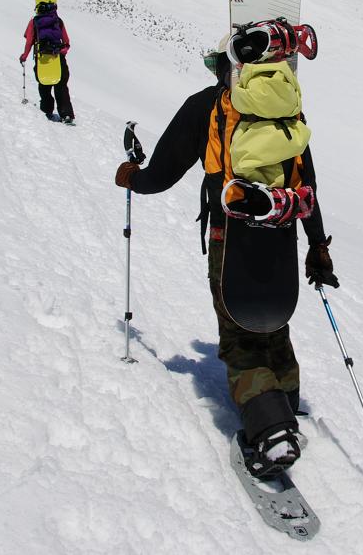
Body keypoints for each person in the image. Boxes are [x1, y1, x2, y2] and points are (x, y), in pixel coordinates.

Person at [114, 48, 337, 476]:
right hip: (283, 228)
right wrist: (317, 244)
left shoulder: (207, 106)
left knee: (239, 328)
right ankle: (284, 401)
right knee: (271, 317)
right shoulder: (286, 114)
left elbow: (161, 174)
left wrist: (131, 177)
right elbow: (307, 182)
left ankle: (271, 432)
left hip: (230, 232)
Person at [19, 1, 74, 123]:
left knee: (44, 84)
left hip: (42, 58)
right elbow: (66, 41)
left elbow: (29, 41)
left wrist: (24, 56)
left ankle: (46, 111)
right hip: (58, 58)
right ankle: (66, 115)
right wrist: (62, 52)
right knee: (61, 86)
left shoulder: (34, 22)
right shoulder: (58, 21)